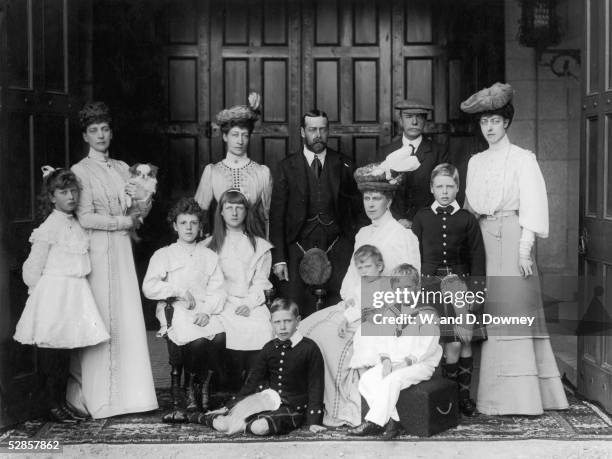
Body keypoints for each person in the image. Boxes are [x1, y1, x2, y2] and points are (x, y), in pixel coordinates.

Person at [461, 82, 568, 415]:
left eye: (495, 121)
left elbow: (533, 205)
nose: (489, 128)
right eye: (484, 122)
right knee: (485, 311)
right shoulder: (476, 162)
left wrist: (524, 251)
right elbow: (469, 208)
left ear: (506, 122)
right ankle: (483, 394)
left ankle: (520, 398)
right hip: (483, 240)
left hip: (512, 237)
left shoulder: (523, 158)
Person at [298, 162, 420, 427]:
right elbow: (353, 278)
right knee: (306, 329)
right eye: (367, 198)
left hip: (384, 310)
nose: (371, 204)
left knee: (332, 340)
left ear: (389, 200)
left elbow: (410, 283)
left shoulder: (403, 236)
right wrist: (349, 301)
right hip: (356, 303)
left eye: (377, 198)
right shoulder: (363, 233)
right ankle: (310, 405)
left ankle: (348, 408)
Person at [67, 101, 158, 419]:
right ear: (85, 136)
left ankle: (132, 397)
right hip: (97, 250)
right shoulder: (80, 171)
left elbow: (137, 213)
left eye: (105, 129)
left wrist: (144, 200)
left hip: (122, 251)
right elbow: (85, 217)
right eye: (94, 130)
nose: (101, 135)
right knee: (102, 320)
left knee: (127, 317)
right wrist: (123, 222)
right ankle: (96, 397)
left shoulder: (122, 167)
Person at [13, 167, 110, 422]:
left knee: (65, 352)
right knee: (52, 353)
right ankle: (50, 403)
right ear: (52, 196)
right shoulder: (50, 227)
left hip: (74, 292)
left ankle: (61, 401)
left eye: (74, 191)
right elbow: (32, 267)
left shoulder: (76, 223)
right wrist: (39, 295)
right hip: (54, 294)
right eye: (63, 192)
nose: (70, 197)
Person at [270, 109, 364, 317]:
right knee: (296, 311)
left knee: (340, 311)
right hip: (297, 248)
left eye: (322, 129)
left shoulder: (345, 164)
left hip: (338, 249)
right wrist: (279, 259)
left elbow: (358, 213)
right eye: (312, 130)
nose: (318, 135)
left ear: (328, 131)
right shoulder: (287, 167)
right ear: (303, 132)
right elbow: (277, 217)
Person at [411, 163, 486, 416]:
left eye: (450, 186)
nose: (444, 192)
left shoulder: (467, 219)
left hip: (461, 286)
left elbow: (477, 258)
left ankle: (464, 399)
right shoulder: (422, 217)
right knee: (448, 344)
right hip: (431, 286)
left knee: (464, 343)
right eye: (439, 186)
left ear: (458, 188)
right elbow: (413, 253)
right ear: (431, 188)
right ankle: (449, 398)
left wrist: (475, 293)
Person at [143, 198, 226, 422]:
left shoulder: (210, 256)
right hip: (175, 308)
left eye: (193, 223)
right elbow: (149, 287)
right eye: (183, 223)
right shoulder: (164, 254)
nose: (189, 228)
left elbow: (218, 290)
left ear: (200, 227)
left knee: (218, 336)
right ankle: (190, 388)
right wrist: (178, 291)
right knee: (197, 341)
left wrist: (207, 311)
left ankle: (204, 386)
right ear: (175, 226)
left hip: (202, 308)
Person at [194, 298, 326, 436]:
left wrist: (314, 420)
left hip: (293, 407)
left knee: (259, 428)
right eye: (277, 322)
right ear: (271, 323)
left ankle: (247, 423)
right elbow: (253, 381)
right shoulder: (269, 347)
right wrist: (229, 407)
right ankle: (197, 417)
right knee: (222, 425)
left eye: (287, 321)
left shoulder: (309, 348)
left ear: (298, 321)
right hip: (267, 401)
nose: (282, 327)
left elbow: (316, 386)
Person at [349, 264, 442, 440]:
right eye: (398, 288)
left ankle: (374, 422)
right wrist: (385, 360)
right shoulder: (390, 311)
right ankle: (394, 419)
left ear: (417, 288)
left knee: (392, 380)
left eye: (407, 288)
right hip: (393, 361)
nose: (403, 292)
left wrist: (406, 363)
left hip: (419, 363)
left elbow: (428, 345)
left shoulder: (426, 311)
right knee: (367, 380)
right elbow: (382, 340)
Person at [205, 189, 274, 389]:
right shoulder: (209, 245)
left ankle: (253, 382)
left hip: (250, 300)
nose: (234, 213)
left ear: (246, 212)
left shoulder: (259, 246)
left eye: (239, 207)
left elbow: (261, 282)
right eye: (229, 208)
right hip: (221, 301)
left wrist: (249, 303)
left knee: (262, 326)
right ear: (221, 212)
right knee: (221, 328)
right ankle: (227, 381)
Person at [195, 93, 271, 238]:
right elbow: (198, 214)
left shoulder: (262, 172)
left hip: (254, 242)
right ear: (225, 137)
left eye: (245, 135)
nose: (240, 141)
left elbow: (268, 217)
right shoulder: (212, 171)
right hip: (220, 242)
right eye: (235, 135)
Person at [376, 99, 448, 228]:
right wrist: (397, 220)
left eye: (419, 117)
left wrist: (418, 221)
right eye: (408, 117)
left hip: (428, 225)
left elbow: (444, 192)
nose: (414, 122)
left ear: (425, 120)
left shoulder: (438, 152)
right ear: (400, 120)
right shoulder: (385, 152)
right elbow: (378, 193)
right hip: (392, 224)